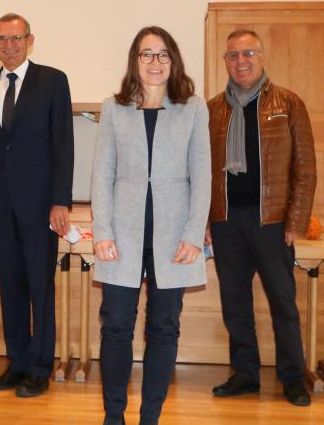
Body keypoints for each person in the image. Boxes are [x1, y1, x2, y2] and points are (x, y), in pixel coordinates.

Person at [90, 26, 211, 425]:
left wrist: (195, 235)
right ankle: (114, 416)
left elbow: (202, 176)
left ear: (173, 61)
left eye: (162, 55)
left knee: (164, 329)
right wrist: (103, 232)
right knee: (116, 328)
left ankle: (151, 417)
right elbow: (102, 175)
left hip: (173, 238)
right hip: (122, 236)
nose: (154, 62)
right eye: (146, 54)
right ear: (135, 61)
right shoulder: (113, 108)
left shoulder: (192, 107)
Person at [0, 12, 74, 398]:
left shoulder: (52, 81)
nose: (8, 46)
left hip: (40, 206)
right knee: (10, 285)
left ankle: (41, 367)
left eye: (15, 39)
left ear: (30, 40)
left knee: (40, 288)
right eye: (0, 40)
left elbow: (63, 145)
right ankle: (17, 363)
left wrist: (61, 201)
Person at [205, 29, 315, 406]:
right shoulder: (213, 109)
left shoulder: (289, 103)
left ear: (262, 57)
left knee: (283, 304)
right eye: (233, 55)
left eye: (248, 53)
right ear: (226, 62)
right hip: (226, 221)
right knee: (235, 303)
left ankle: (293, 378)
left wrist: (296, 223)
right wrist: (205, 221)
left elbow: (306, 168)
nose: (242, 61)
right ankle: (245, 374)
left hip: (273, 223)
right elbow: (202, 170)